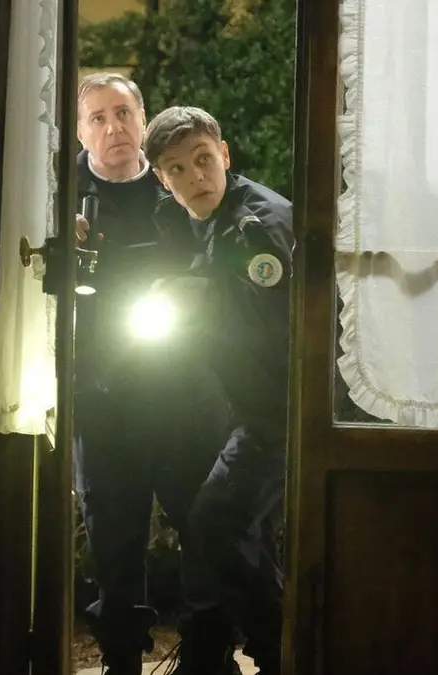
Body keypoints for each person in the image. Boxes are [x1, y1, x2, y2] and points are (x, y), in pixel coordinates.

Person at [70, 73, 240, 675]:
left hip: (183, 391)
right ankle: (120, 660)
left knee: (203, 525)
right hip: (102, 395)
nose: (113, 127)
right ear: (80, 131)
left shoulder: (176, 183)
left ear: (142, 120)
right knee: (114, 540)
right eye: (97, 117)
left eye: (123, 113)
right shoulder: (59, 196)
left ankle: (207, 657)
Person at [143, 106, 293, 675]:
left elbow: (277, 313)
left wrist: (190, 292)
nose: (196, 176)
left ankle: (280, 650)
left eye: (204, 159)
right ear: (163, 179)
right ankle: (250, 654)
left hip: (283, 408)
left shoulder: (259, 223)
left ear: (224, 155)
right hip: (245, 403)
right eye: (178, 169)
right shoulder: (186, 215)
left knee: (214, 521)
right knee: (245, 533)